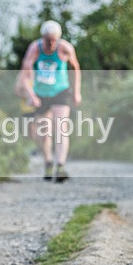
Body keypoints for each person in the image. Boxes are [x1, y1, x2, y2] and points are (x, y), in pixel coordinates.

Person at [19, 20, 82, 182]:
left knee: (61, 128)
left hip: (60, 91)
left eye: (54, 39)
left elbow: (76, 69)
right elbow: (25, 75)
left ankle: (60, 166)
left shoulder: (65, 48)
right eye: (48, 40)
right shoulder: (34, 49)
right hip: (40, 94)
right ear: (42, 38)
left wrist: (76, 92)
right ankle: (48, 161)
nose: (51, 43)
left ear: (58, 38)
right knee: (44, 132)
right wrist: (31, 95)